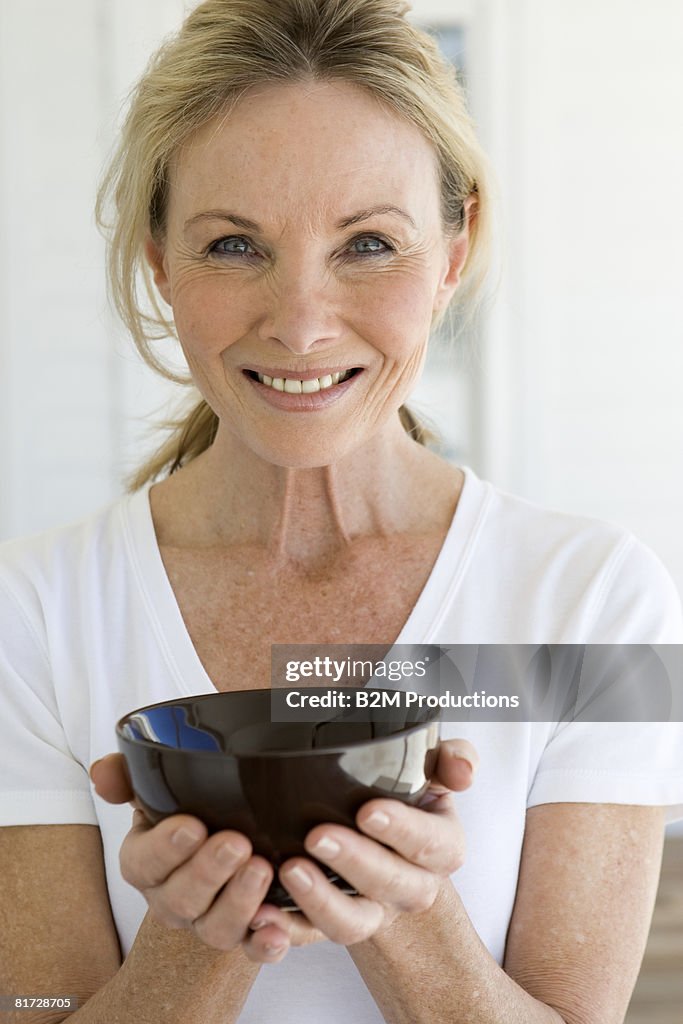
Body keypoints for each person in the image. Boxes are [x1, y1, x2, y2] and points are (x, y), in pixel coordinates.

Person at [1, 1, 682, 1022]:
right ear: (157, 260)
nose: (303, 323)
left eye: (367, 243)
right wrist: (198, 941)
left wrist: (404, 910)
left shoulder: (594, 603)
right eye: (233, 245)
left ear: (453, 252)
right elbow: (37, 1007)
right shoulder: (31, 614)